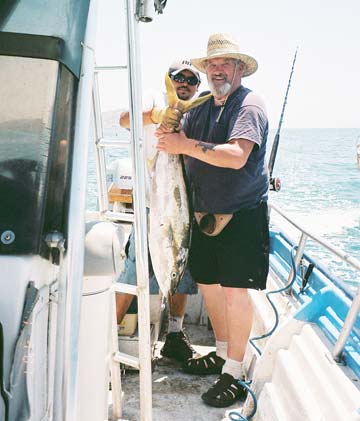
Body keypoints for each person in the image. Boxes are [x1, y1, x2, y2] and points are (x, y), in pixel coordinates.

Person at [155, 33, 270, 408]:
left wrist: (184, 145)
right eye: (213, 65)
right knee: (209, 286)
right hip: (202, 216)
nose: (218, 70)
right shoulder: (201, 106)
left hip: (242, 216)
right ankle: (222, 354)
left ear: (239, 69)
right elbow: (155, 124)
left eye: (225, 64)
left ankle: (234, 373)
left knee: (236, 294)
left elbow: (236, 156)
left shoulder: (248, 105)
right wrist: (163, 118)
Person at [116, 59, 202, 362]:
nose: (186, 85)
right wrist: (156, 116)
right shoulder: (153, 98)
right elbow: (125, 119)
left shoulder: (199, 111)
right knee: (133, 271)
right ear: (169, 78)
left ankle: (175, 335)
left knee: (183, 273)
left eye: (193, 81)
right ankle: (107, 337)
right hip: (153, 206)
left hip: (186, 205)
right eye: (180, 78)